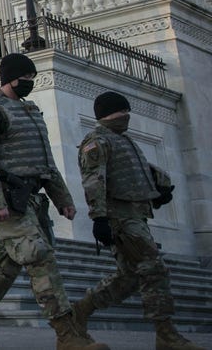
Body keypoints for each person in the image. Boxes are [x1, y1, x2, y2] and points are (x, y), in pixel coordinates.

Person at [0, 53, 107, 350]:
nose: (29, 84)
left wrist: (62, 198)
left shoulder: (31, 112)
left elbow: (45, 160)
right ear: (9, 78)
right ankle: (66, 333)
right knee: (39, 257)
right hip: (10, 201)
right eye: (25, 79)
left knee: (5, 267)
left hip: (33, 200)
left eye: (32, 79)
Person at [72, 91, 204, 350]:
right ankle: (166, 335)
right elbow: (93, 182)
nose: (126, 116)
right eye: (122, 112)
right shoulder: (97, 141)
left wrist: (156, 195)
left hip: (136, 216)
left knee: (129, 279)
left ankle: (79, 311)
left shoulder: (124, 140)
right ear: (108, 114)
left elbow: (132, 178)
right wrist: (98, 218)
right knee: (154, 269)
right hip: (120, 220)